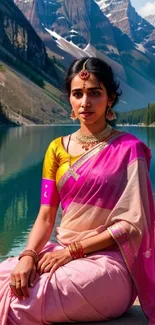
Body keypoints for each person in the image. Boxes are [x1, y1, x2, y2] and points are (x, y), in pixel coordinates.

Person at [0, 57, 154, 325]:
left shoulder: (130, 149)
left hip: (109, 266)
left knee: (27, 297)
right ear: (70, 101)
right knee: (10, 279)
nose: (85, 102)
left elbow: (131, 225)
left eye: (95, 93)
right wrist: (28, 256)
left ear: (110, 99)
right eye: (77, 94)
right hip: (59, 253)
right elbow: (47, 216)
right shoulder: (56, 149)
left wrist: (73, 252)